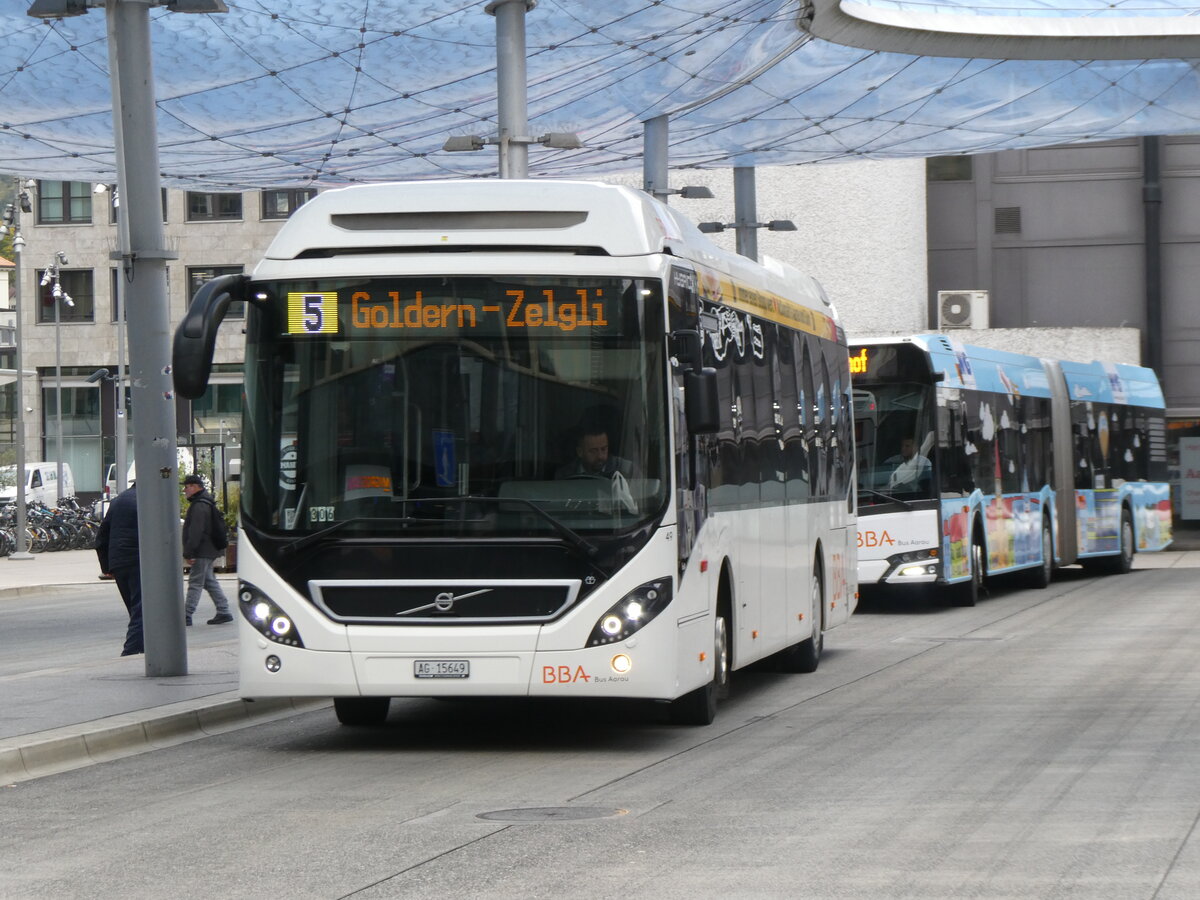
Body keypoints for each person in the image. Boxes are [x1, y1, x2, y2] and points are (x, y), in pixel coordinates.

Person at [95, 482, 143, 657]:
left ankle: (144, 647)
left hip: (119, 562)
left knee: (134, 608)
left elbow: (101, 536)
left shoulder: (118, 500)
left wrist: (107, 567)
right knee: (142, 608)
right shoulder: (148, 500)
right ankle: (131, 651)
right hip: (139, 559)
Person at [182, 474, 233, 625]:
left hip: (202, 550)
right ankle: (224, 610)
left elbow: (196, 531)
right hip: (208, 549)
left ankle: (186, 614)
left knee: (195, 582)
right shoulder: (205, 502)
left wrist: (189, 551)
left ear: (195, 487)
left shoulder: (199, 505)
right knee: (209, 581)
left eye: (187, 487)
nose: (185, 490)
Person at [555, 426, 638, 480]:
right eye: (593, 451)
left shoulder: (627, 469)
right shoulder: (564, 476)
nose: (600, 456)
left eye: (603, 449)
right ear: (580, 452)